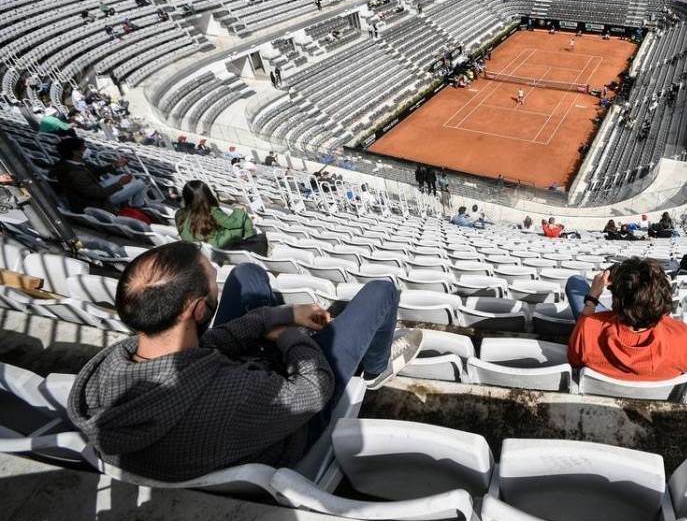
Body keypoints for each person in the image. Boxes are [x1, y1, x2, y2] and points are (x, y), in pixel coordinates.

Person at [68, 242, 422, 483]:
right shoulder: (233, 395)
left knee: (248, 274)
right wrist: (287, 337)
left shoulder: (110, 369)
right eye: (211, 281)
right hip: (285, 421)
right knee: (381, 292)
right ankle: (376, 369)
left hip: (224, 409)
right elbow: (313, 389)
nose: (215, 284)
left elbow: (205, 347)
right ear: (197, 309)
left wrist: (277, 315)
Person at [565, 259, 687, 381]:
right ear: (663, 298)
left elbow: (574, 359)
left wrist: (592, 298)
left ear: (617, 300)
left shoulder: (588, 328)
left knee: (575, 280)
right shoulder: (684, 336)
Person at [49, 136, 149, 213]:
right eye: (83, 148)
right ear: (75, 152)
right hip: (96, 203)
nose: (86, 149)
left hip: (89, 193)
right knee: (140, 183)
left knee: (127, 178)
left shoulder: (68, 163)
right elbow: (99, 194)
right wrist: (120, 184)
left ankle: (130, 204)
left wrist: (114, 165)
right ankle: (138, 207)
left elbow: (91, 173)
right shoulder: (75, 173)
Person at [175, 181, 257, 250]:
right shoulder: (212, 211)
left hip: (195, 247)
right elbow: (234, 224)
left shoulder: (179, 213)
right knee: (243, 219)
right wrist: (239, 210)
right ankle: (250, 239)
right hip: (216, 245)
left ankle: (249, 239)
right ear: (207, 194)